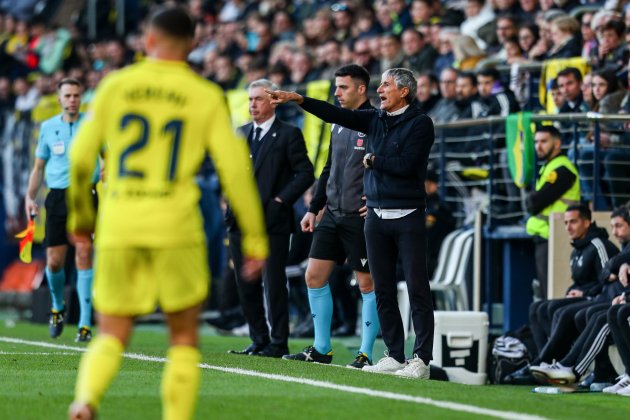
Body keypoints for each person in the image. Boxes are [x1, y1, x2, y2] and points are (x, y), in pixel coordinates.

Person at [65, 7, 268, 420]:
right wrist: (256, 238)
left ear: (148, 41)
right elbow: (234, 172)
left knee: (112, 331)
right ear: (193, 45)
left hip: (121, 222)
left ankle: (85, 400)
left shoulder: (116, 85)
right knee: (183, 336)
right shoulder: (204, 94)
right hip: (177, 226)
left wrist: (80, 221)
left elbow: (80, 160)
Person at [267, 67, 435, 379]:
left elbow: (408, 165)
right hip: (376, 217)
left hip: (408, 215)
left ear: (404, 92)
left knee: (417, 289)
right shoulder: (375, 119)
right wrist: (298, 99)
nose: (380, 90)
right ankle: (395, 355)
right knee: (382, 289)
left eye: (387, 85)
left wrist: (373, 161)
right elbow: (333, 114)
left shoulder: (420, 123)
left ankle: (422, 359)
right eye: (381, 84)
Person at [282, 64, 380, 369]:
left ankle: (365, 353)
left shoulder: (376, 121)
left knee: (367, 284)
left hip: (359, 217)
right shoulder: (337, 124)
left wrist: (376, 198)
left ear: (361, 89)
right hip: (333, 214)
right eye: (335, 87)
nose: (337, 93)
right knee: (314, 276)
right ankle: (322, 348)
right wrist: (314, 208)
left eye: (343, 87)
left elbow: (387, 163)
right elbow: (329, 168)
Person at [226, 78, 314, 358]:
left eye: (258, 99)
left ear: (273, 101)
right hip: (240, 221)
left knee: (274, 283)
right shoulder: (239, 134)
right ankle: (258, 339)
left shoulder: (288, 134)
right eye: (250, 99)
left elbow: (305, 173)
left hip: (272, 221)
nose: (253, 104)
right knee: (245, 283)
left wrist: (280, 200)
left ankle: (278, 343)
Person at [25, 77, 98, 343]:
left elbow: (109, 156)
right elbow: (38, 167)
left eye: (76, 95)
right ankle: (57, 308)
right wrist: (30, 197)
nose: (72, 100)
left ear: (82, 97)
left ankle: (85, 324)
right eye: (67, 95)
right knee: (54, 262)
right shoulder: (48, 127)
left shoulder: (92, 126)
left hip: (85, 196)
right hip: (56, 198)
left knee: (84, 254)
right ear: (59, 99)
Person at [525, 125, 580, 299]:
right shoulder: (549, 167)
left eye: (543, 141)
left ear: (557, 144)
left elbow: (535, 202)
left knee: (551, 292)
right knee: (542, 291)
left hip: (554, 238)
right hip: (544, 236)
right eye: (536, 142)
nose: (538, 146)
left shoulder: (563, 169)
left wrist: (531, 201)